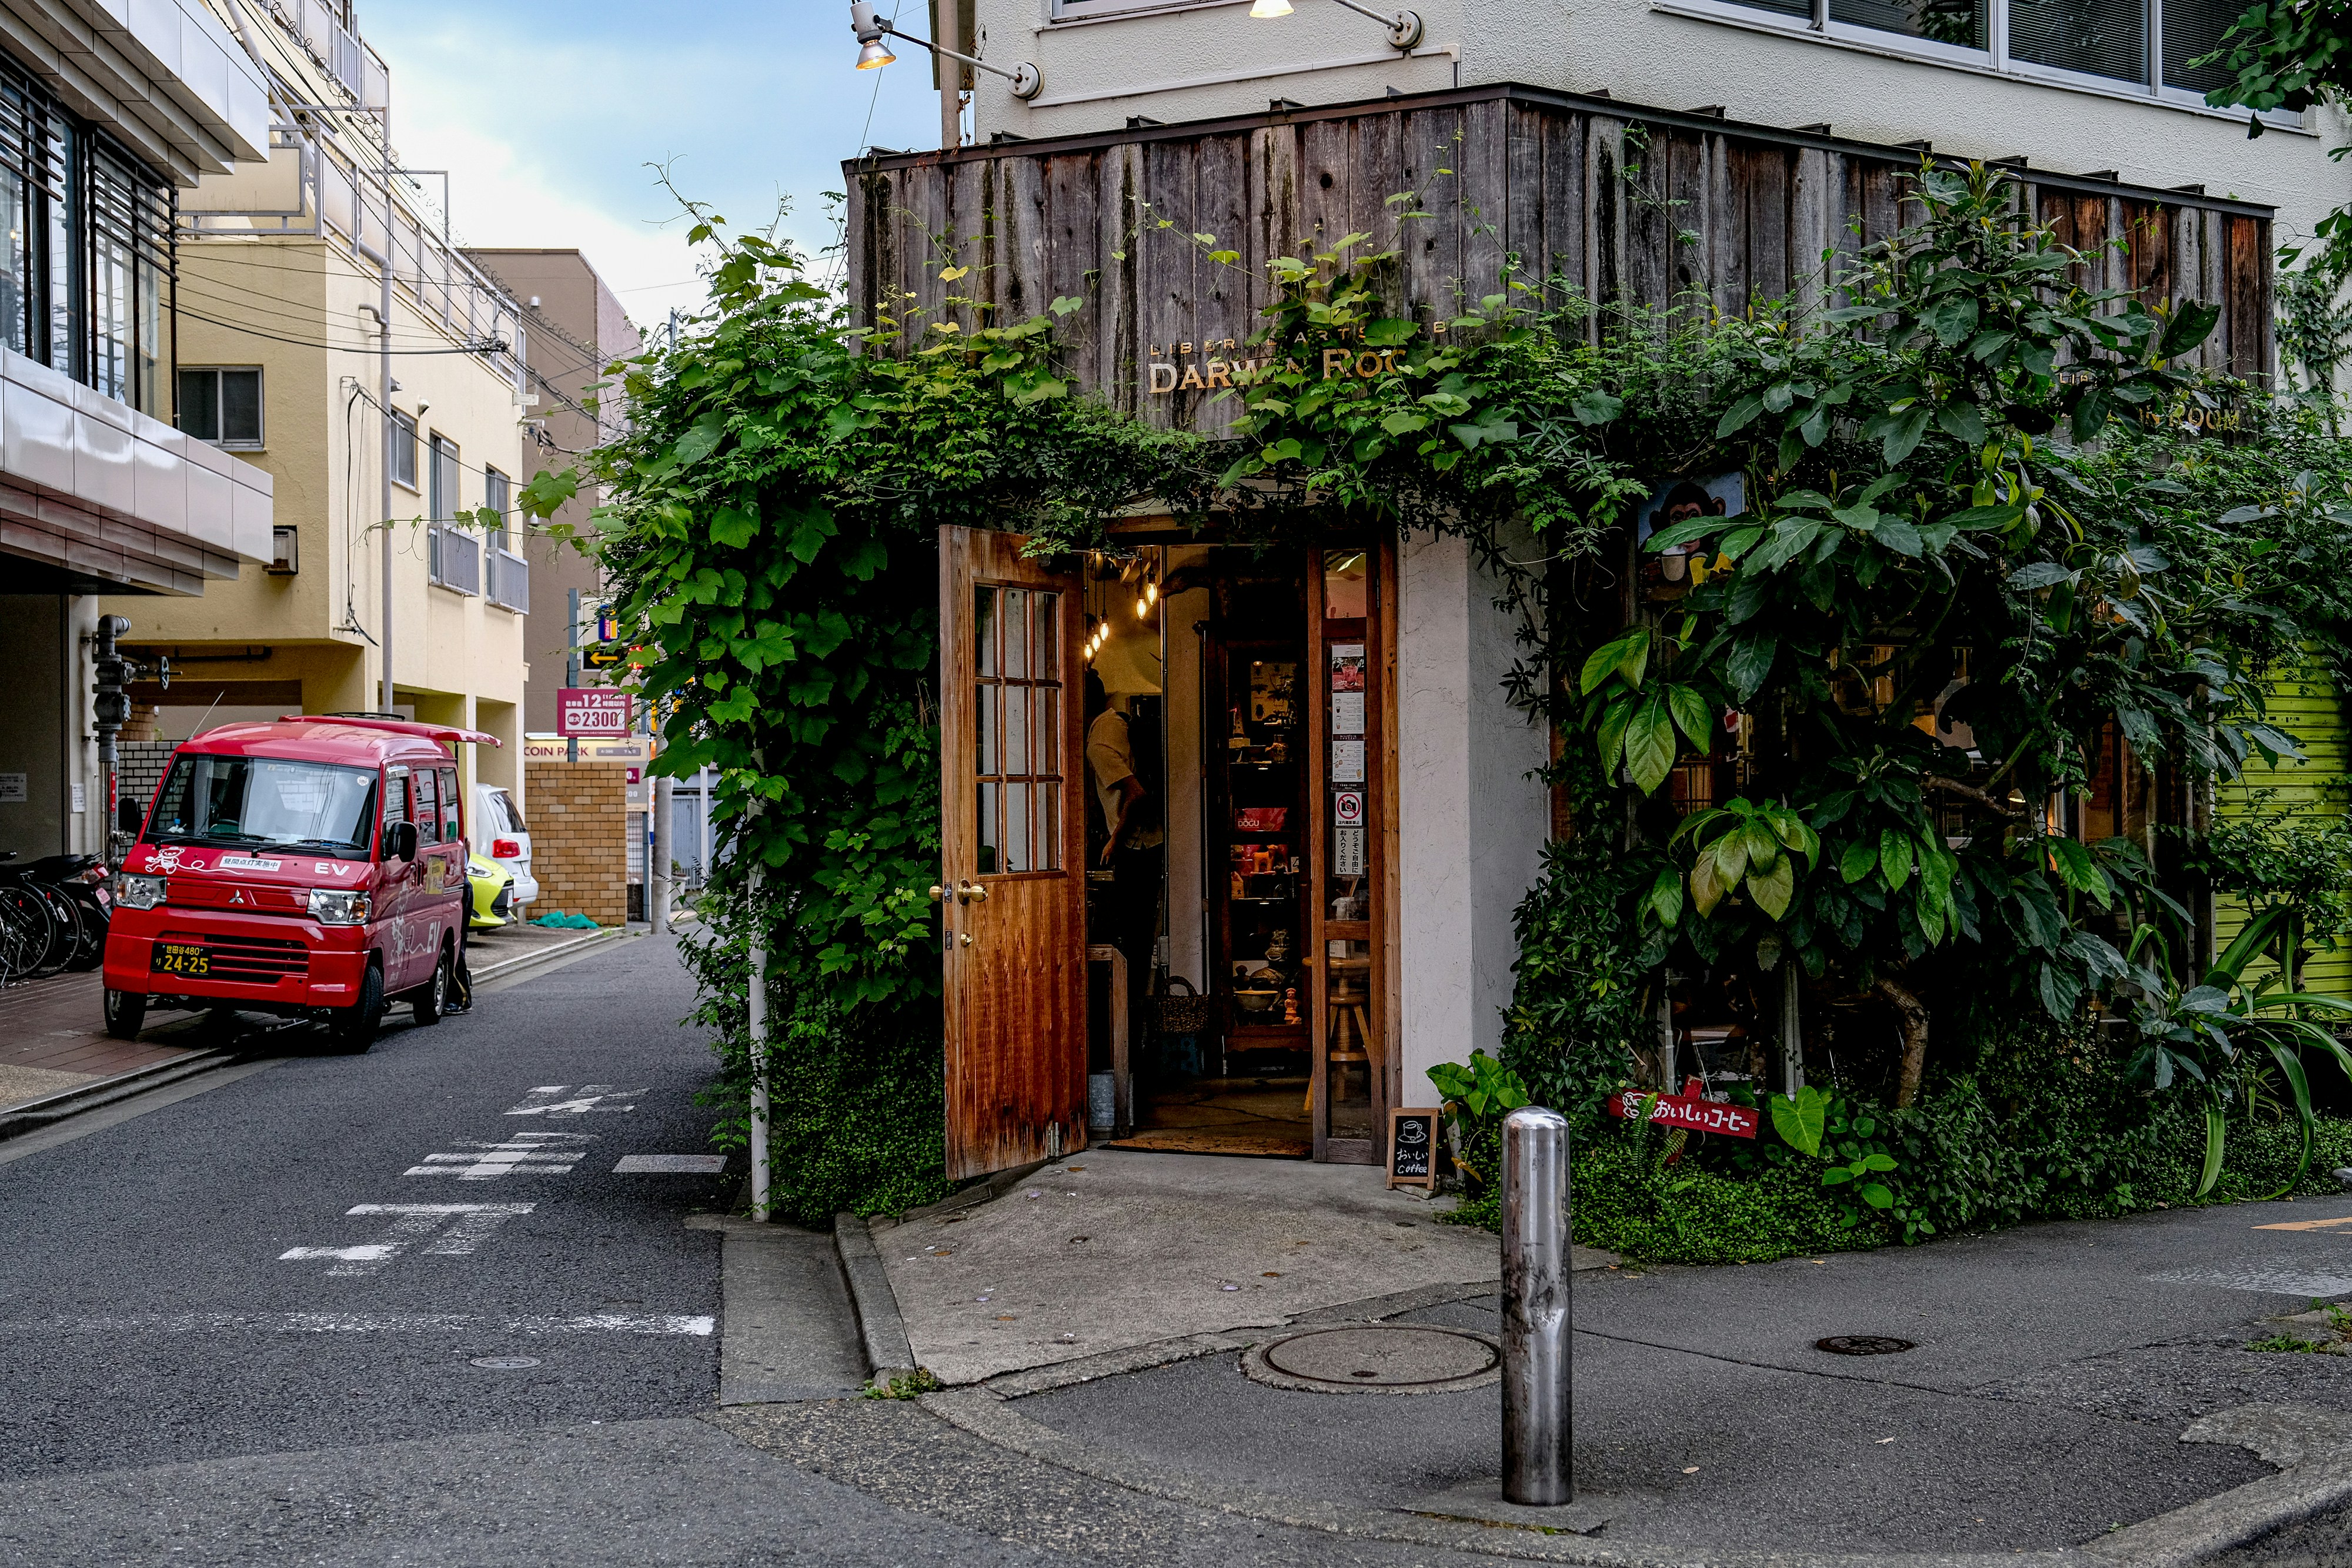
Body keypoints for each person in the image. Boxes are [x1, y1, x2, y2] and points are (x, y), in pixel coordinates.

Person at [1085, 668, 1162, 1053]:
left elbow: (1136, 792)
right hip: (1153, 841)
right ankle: (1131, 1040)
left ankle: (1123, 1043)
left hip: (1136, 849)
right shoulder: (1117, 719)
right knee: (1139, 943)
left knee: (1127, 946)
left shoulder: (1098, 742)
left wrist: (1114, 839)